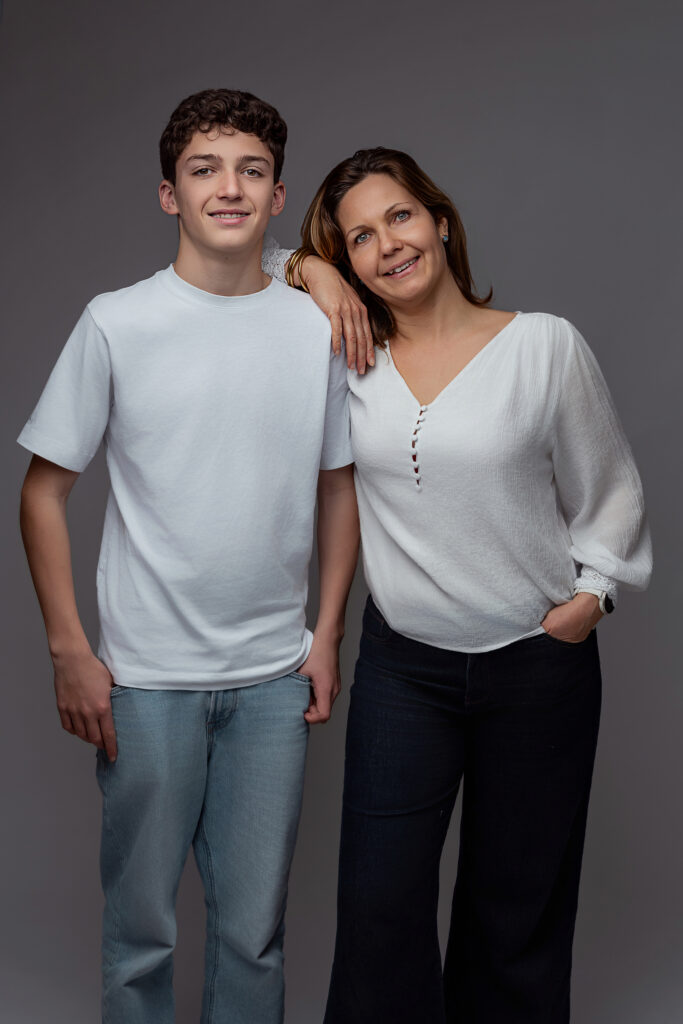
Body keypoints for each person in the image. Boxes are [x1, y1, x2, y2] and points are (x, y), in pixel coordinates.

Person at [269, 147, 653, 1023]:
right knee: (378, 909)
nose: (384, 246)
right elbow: (235, 250)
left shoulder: (542, 344)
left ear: (439, 218)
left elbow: (611, 487)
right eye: (358, 238)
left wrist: (592, 597)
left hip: (536, 666)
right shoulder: (347, 353)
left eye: (398, 217)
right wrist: (306, 269)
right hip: (405, 672)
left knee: (515, 909)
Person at [17, 88, 359, 1024]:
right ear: (169, 194)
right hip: (144, 681)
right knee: (141, 939)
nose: (229, 187)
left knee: (254, 936)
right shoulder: (117, 322)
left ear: (279, 191)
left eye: (251, 170)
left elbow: (339, 487)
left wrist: (324, 636)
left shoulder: (312, 324)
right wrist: (69, 650)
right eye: (204, 169)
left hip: (270, 681)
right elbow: (43, 492)